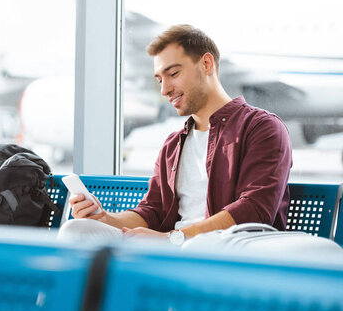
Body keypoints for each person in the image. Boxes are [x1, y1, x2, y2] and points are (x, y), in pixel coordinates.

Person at [67, 24, 293, 245]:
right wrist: (104, 218)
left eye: (173, 73)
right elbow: (153, 211)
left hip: (223, 250)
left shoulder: (261, 128)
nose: (164, 89)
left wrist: (174, 238)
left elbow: (254, 210)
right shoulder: (173, 145)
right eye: (159, 80)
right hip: (173, 247)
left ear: (206, 64)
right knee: (76, 229)